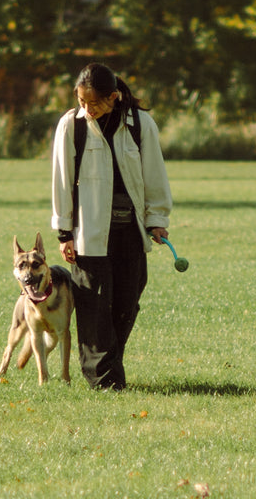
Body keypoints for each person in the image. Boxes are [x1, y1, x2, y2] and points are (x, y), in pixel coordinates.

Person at [51, 63, 172, 390]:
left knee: (125, 304)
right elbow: (62, 181)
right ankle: (104, 382)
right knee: (93, 306)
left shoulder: (140, 124)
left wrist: (157, 219)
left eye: (94, 103)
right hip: (87, 234)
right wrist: (64, 232)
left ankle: (109, 371)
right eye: (81, 101)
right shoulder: (71, 126)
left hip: (129, 233)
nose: (87, 109)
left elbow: (155, 175)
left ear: (114, 97)